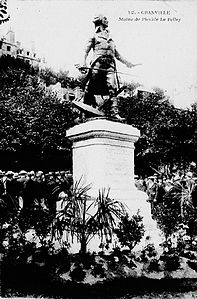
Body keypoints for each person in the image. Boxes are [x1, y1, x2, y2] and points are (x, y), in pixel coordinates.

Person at [81, 14, 141, 119]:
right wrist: (83, 63)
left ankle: (115, 113)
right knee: (90, 88)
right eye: (105, 19)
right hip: (97, 65)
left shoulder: (110, 38)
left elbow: (117, 55)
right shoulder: (94, 36)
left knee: (112, 88)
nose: (107, 20)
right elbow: (85, 51)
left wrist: (128, 63)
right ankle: (85, 110)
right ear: (100, 21)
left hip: (110, 66)